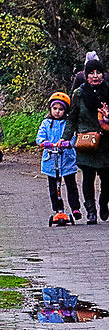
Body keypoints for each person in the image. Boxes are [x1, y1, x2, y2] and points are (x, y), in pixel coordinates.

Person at [73, 54, 109, 222]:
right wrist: (64, 139)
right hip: (86, 142)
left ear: (103, 74)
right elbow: (72, 118)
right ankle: (91, 211)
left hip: (105, 143)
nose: (95, 76)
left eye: (98, 72)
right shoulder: (79, 94)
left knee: (106, 178)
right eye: (91, 73)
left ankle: (103, 202)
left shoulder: (108, 91)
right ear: (86, 75)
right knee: (88, 178)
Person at [39, 92, 83, 225]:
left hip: (66, 159)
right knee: (54, 187)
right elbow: (40, 136)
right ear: (50, 109)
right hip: (51, 159)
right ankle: (58, 209)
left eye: (61, 109)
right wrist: (44, 142)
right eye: (55, 108)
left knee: (71, 185)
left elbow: (74, 136)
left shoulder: (68, 123)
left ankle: (75, 208)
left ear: (65, 110)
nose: (57, 112)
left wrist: (69, 143)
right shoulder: (46, 123)